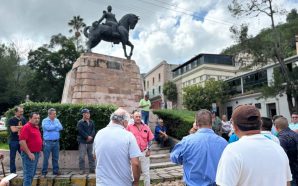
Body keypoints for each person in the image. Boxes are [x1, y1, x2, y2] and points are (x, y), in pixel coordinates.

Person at [216, 105, 292, 186]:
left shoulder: (232, 151)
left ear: (234, 126)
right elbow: (287, 183)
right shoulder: (278, 148)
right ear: (260, 124)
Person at [171, 109, 228, 186]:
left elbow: (174, 158)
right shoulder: (224, 143)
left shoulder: (187, 141)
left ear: (196, 123)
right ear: (212, 122)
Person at [93, 108, 142, 186]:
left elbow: (95, 156)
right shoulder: (128, 136)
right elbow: (135, 163)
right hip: (122, 183)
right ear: (125, 122)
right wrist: (136, 182)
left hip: (102, 183)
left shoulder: (99, 133)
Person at [127, 111, 154, 186]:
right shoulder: (129, 127)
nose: (138, 118)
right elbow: (125, 139)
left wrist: (149, 149)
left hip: (144, 152)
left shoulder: (146, 127)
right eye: (136, 117)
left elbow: (151, 139)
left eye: (139, 116)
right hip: (133, 154)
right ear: (133, 118)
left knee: (146, 173)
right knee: (133, 173)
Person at [19, 112, 42, 186]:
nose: (37, 120)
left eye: (38, 118)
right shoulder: (26, 127)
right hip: (29, 154)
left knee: (31, 174)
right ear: (30, 118)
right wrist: (29, 153)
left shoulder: (36, 127)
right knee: (28, 175)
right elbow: (22, 141)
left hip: (35, 153)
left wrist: (39, 150)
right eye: (35, 118)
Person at [275, 117, 298, 185]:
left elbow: (282, 158)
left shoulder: (281, 138)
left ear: (276, 127)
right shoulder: (295, 134)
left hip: (290, 171)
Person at [41, 108, 63, 176]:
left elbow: (61, 127)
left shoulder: (57, 120)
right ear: (49, 114)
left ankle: (55, 171)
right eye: (54, 114)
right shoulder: (45, 120)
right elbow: (47, 128)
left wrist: (52, 127)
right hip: (47, 142)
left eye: (55, 114)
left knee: (55, 158)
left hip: (56, 142)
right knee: (46, 158)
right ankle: (44, 172)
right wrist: (56, 127)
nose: (55, 115)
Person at [8, 106, 26, 173]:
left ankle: (26, 170)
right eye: (20, 112)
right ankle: (12, 172)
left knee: (24, 156)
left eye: (22, 111)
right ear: (15, 112)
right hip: (13, 141)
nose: (22, 113)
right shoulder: (12, 120)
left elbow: (26, 129)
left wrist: (17, 127)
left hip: (22, 140)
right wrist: (22, 127)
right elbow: (13, 130)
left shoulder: (24, 119)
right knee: (12, 157)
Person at [77, 109, 96, 174]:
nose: (88, 114)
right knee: (82, 157)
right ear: (83, 114)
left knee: (91, 156)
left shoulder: (92, 122)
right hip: (83, 142)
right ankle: (82, 170)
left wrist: (91, 136)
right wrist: (87, 137)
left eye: (88, 113)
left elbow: (93, 130)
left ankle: (92, 169)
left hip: (91, 142)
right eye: (86, 113)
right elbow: (80, 131)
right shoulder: (80, 122)